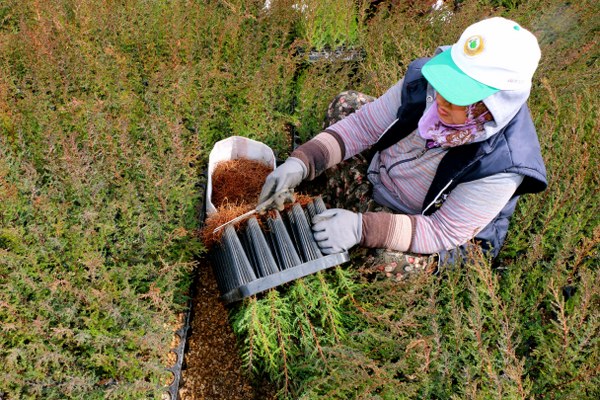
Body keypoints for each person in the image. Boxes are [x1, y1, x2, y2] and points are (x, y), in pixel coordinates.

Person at [258, 17, 547, 279]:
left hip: (424, 224)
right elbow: (362, 127)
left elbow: (443, 231)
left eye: (459, 95)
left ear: (495, 103)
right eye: (446, 82)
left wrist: (363, 229)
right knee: (346, 105)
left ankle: (352, 217)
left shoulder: (503, 163)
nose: (441, 99)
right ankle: (350, 204)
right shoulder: (424, 83)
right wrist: (302, 162)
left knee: (389, 263)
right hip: (383, 179)